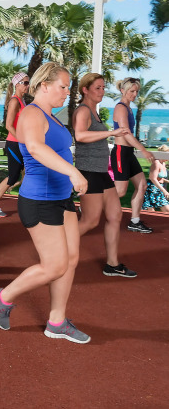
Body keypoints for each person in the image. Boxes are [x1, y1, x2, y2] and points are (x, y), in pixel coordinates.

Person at [0, 62, 90, 344]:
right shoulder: (31, 113)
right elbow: (34, 147)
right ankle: (3, 297)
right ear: (44, 85)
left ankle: (57, 322)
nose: (67, 92)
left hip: (61, 198)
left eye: (68, 87)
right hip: (40, 199)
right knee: (54, 266)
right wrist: (73, 172)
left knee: (71, 260)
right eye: (63, 86)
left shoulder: (52, 117)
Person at [73, 73, 135, 278]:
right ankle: (54, 248)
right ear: (85, 90)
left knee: (115, 215)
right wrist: (111, 133)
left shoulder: (95, 111)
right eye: (98, 88)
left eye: (103, 87)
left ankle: (112, 264)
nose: (102, 91)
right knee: (90, 221)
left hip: (100, 172)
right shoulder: (83, 110)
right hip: (88, 172)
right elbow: (80, 135)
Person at [111, 77, 156, 233]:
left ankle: (134, 222)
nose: (135, 94)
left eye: (136, 91)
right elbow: (126, 133)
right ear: (122, 90)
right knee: (120, 191)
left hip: (129, 154)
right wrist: (143, 150)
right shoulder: (120, 108)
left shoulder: (129, 108)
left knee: (142, 185)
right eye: (132, 91)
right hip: (120, 153)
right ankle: (90, 204)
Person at [0, 72, 29, 217]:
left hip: (21, 143)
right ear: (17, 85)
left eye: (28, 82)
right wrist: (23, 140)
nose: (28, 85)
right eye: (25, 83)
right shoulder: (15, 101)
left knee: (28, 173)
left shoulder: (23, 101)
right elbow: (9, 126)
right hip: (15, 144)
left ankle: (29, 204)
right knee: (13, 176)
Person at [142, 147, 169, 212]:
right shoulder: (156, 163)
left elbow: (159, 177)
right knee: (151, 212)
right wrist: (164, 191)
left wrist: (167, 181)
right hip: (152, 188)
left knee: (166, 210)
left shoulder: (163, 163)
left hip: (159, 188)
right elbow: (152, 178)